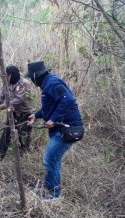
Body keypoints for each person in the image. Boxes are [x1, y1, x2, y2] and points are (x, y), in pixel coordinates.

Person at [26, 61, 83, 201]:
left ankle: (54, 194)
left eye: (31, 78)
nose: (31, 81)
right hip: (62, 128)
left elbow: (68, 99)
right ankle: (51, 187)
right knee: (54, 159)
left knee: (49, 159)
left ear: (36, 77)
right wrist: (36, 115)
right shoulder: (48, 83)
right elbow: (50, 107)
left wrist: (54, 119)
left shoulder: (52, 83)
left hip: (68, 129)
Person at [0, 65, 34, 160]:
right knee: (6, 135)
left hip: (26, 114)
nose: (4, 78)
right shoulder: (6, 84)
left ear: (11, 75)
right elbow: (0, 98)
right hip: (13, 114)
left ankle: (23, 157)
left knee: (23, 136)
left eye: (6, 75)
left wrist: (4, 105)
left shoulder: (25, 83)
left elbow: (19, 99)